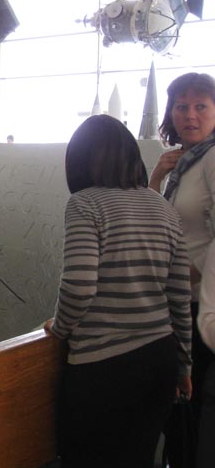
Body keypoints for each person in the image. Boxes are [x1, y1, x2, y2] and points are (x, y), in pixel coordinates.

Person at [44, 114, 192, 468]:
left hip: (103, 368)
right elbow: (179, 296)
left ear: (80, 161)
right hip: (159, 361)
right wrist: (184, 363)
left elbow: (79, 287)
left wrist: (59, 328)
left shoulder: (85, 204)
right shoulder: (164, 209)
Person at [148, 72, 215, 466]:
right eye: (182, 106)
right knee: (177, 414)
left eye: (201, 106)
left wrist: (191, 272)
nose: (190, 115)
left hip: (199, 307)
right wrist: (157, 176)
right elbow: (153, 222)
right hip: (176, 305)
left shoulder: (212, 159)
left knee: (191, 417)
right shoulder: (182, 164)